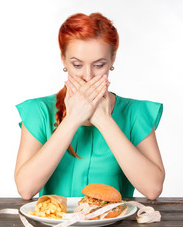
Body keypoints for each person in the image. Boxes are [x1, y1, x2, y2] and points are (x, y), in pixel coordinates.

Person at [14, 13, 165, 201]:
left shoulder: (136, 113)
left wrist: (103, 120)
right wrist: (73, 119)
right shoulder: (38, 111)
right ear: (63, 60)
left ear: (112, 61)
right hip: (54, 226)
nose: (88, 76)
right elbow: (26, 189)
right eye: (77, 65)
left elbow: (153, 189)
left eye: (99, 65)